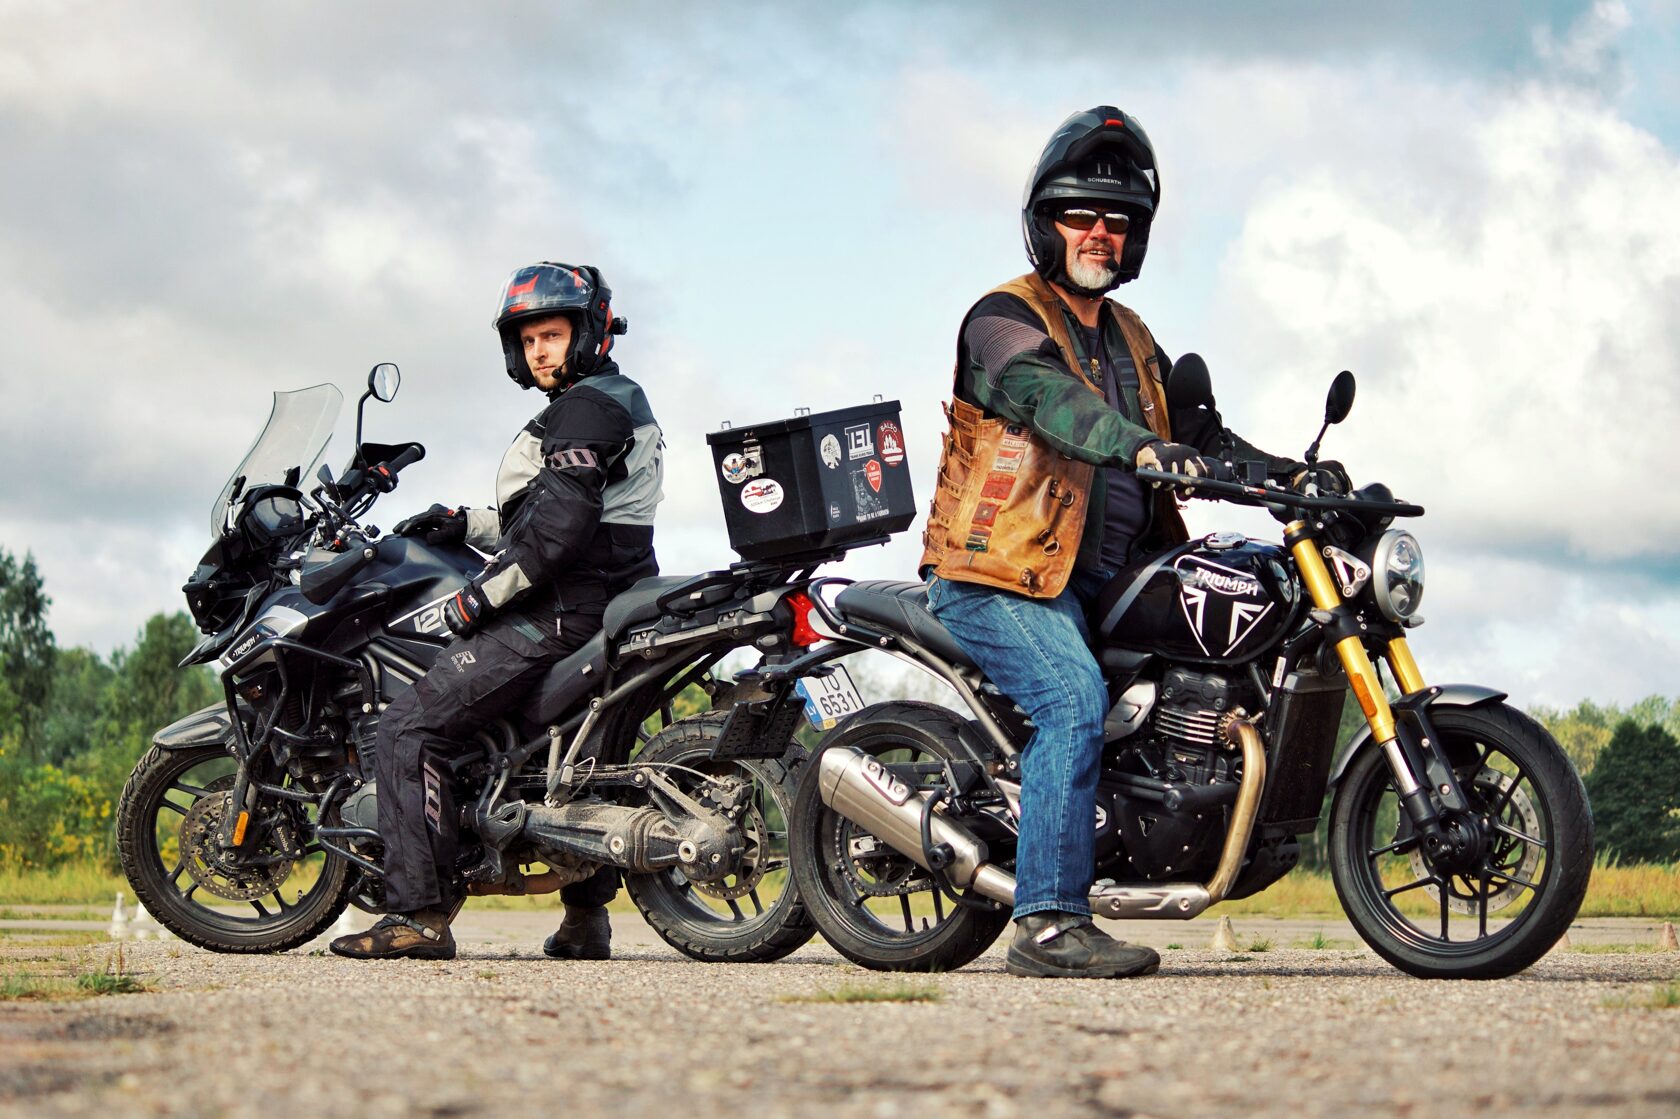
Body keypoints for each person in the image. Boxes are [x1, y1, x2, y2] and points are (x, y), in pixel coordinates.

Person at [919, 107, 1311, 979]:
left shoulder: (1134, 340)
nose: (1099, 231)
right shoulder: (1001, 319)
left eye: (1118, 219)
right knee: (1071, 699)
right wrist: (1136, 445)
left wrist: (1297, 477)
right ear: (1044, 222)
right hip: (1002, 574)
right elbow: (1051, 401)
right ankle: (1047, 922)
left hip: (1110, 578)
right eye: (1080, 215)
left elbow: (1201, 437)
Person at [332, 262, 664, 961]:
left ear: (589, 332)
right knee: (576, 758)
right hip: (604, 598)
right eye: (529, 339)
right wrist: (466, 524)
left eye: (552, 335)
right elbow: (557, 514)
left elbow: (557, 535)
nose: (539, 350)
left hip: (561, 610)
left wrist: (475, 598)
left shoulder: (586, 408)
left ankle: (419, 916)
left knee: (407, 729)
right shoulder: (606, 401)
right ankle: (585, 920)